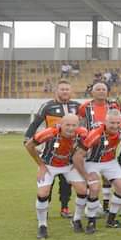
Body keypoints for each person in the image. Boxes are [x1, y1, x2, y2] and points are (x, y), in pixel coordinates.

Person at [24, 114, 88, 239]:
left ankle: (77, 220)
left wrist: (78, 161)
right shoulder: (49, 132)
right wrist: (41, 165)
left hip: (69, 165)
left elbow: (86, 148)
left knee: (82, 190)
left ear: (78, 125)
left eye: (74, 125)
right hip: (49, 165)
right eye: (67, 125)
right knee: (43, 193)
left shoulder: (83, 133)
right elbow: (29, 145)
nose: (70, 128)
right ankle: (42, 225)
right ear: (61, 124)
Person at [24, 79, 80, 218]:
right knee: (49, 179)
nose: (65, 92)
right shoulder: (47, 106)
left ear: (71, 91)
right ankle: (45, 206)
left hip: (69, 149)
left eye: (67, 89)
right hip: (50, 147)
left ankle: (65, 207)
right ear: (56, 91)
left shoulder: (77, 106)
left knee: (67, 181)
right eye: (62, 89)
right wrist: (27, 139)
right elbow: (35, 123)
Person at [72, 109, 121, 233]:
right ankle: (91, 222)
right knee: (94, 188)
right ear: (105, 122)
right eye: (111, 123)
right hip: (93, 163)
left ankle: (111, 220)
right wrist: (86, 176)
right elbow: (77, 156)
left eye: (117, 123)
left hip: (110, 162)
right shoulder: (95, 134)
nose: (115, 126)